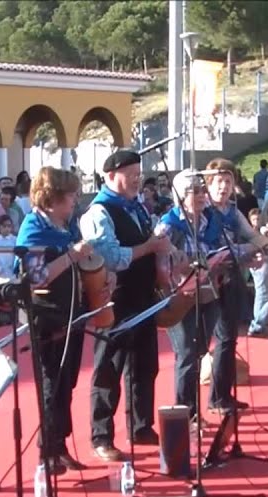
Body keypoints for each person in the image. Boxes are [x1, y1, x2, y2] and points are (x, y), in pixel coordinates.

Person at [80, 150, 171, 461]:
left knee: (145, 365)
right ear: (109, 176)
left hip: (144, 298)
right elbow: (110, 257)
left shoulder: (138, 209)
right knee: (109, 369)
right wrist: (149, 247)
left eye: (138, 172)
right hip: (115, 301)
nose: (136, 178)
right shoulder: (100, 212)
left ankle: (140, 425)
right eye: (130, 173)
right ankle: (101, 435)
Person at [16, 167, 95, 473]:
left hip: (72, 313)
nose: (75, 200)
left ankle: (60, 444)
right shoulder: (33, 229)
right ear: (52, 198)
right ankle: (46, 450)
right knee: (52, 384)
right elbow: (35, 278)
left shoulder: (66, 225)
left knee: (67, 383)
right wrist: (71, 256)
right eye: (71, 195)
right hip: (47, 318)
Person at [153, 170, 228, 427]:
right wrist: (181, 265)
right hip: (180, 296)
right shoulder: (168, 225)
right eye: (193, 191)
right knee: (185, 353)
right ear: (180, 197)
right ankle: (185, 413)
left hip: (208, 291)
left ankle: (194, 410)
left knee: (198, 352)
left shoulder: (210, 221)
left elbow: (218, 247)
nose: (200, 196)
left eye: (201, 190)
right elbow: (161, 261)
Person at [205, 158, 266, 412]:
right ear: (208, 183)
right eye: (219, 181)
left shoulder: (233, 210)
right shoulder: (201, 210)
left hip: (231, 278)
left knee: (229, 338)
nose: (224, 187)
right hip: (207, 281)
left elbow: (256, 238)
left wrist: (250, 250)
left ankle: (222, 395)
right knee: (204, 343)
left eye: (228, 182)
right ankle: (208, 400)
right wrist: (244, 250)